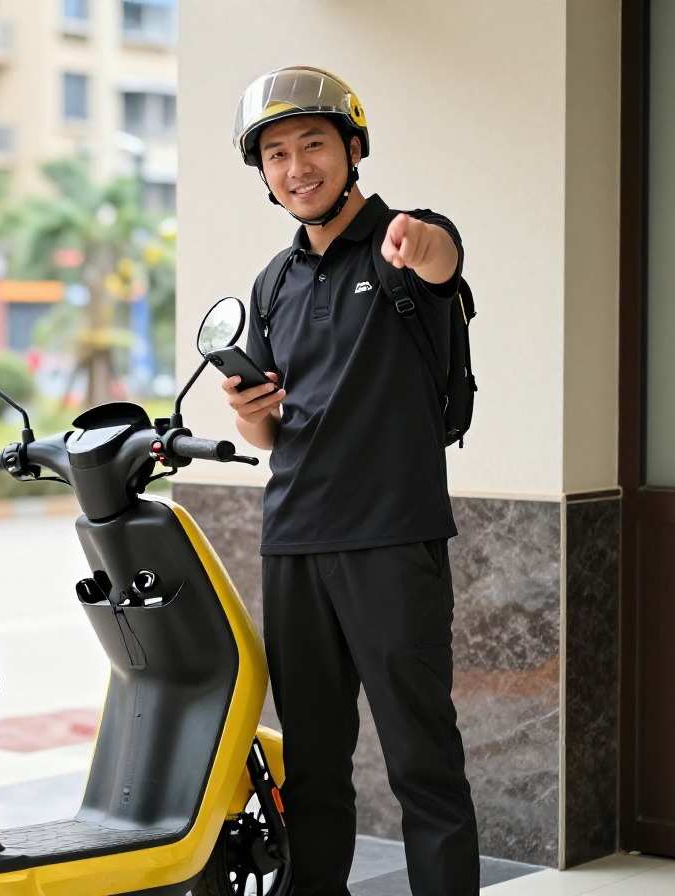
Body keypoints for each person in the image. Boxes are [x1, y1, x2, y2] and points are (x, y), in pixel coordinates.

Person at [223, 66, 480, 896]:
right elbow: (269, 433)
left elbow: (442, 261)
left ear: (353, 148)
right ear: (263, 172)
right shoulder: (273, 281)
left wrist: (421, 248)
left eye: (313, 145)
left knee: (422, 764)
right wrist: (248, 408)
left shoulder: (406, 237)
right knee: (316, 770)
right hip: (294, 541)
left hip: (391, 539)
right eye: (276, 153)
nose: (296, 166)